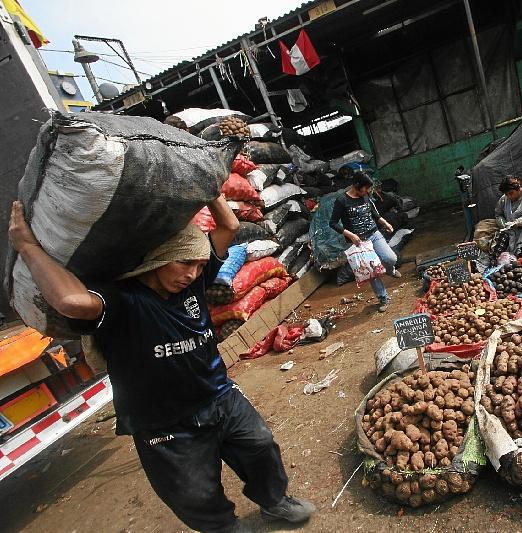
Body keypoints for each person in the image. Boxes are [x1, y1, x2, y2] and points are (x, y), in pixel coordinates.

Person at [8, 196, 314, 533]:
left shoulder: (194, 281)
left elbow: (229, 225)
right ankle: (224, 528)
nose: (192, 273)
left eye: (200, 265)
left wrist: (209, 187)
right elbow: (70, 302)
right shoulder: (122, 299)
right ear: (159, 258)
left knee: (260, 447)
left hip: (219, 396)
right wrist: (27, 246)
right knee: (193, 492)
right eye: (184, 263)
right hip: (163, 423)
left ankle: (275, 502)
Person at [329, 172, 401, 312]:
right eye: (366, 188)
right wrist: (350, 235)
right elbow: (333, 223)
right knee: (371, 271)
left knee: (391, 258)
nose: (367, 191)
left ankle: (390, 270)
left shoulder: (365, 196)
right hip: (360, 242)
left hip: (374, 234)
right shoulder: (342, 200)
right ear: (357, 185)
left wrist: (385, 223)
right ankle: (383, 298)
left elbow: (374, 213)